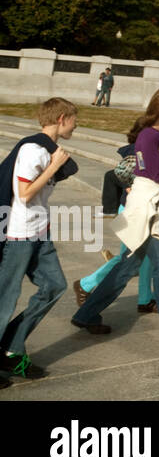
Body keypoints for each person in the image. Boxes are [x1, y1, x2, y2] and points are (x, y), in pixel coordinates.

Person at [71, 86, 159, 338]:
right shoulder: (148, 137)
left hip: (152, 207)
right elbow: (156, 174)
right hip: (147, 211)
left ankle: (85, 315)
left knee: (125, 269)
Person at [0, 98, 79, 382]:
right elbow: (24, 194)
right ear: (61, 119)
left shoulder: (47, 149)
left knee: (55, 285)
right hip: (18, 234)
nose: (75, 124)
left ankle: (9, 347)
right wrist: (53, 165)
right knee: (5, 299)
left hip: (39, 232)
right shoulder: (33, 150)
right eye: (73, 119)